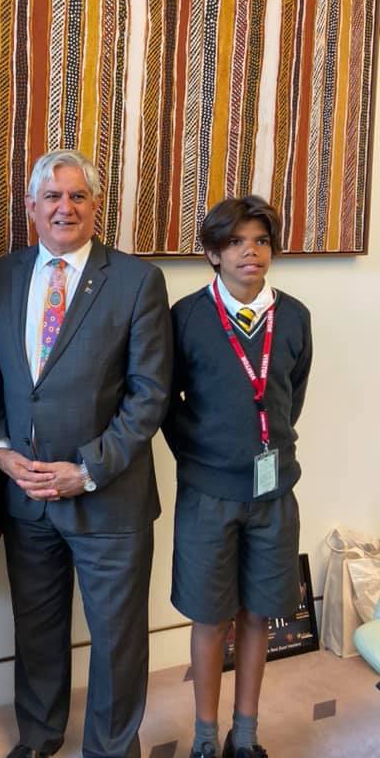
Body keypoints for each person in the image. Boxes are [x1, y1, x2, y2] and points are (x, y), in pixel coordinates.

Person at [0, 149, 172, 758]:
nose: (65, 207)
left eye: (78, 196)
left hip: (107, 499)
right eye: (52, 197)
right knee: (36, 631)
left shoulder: (138, 280)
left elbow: (150, 396)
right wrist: (0, 451)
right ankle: (38, 738)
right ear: (30, 208)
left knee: (117, 640)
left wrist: (85, 470)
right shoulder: (1, 276)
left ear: (96, 207)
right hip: (26, 495)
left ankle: (112, 750)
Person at [163, 196, 313, 758]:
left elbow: (289, 400)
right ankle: (205, 735)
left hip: (274, 493)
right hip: (208, 494)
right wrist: (203, 455)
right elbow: (167, 402)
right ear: (213, 254)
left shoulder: (294, 316)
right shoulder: (187, 317)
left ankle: (243, 735)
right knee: (210, 614)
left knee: (258, 612)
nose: (250, 252)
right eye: (235, 242)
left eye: (260, 241)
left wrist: (261, 448)